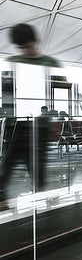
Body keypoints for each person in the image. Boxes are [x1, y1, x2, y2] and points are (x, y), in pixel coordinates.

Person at [1, 24, 60, 211]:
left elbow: (54, 97)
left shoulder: (50, 64)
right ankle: (2, 199)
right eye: (20, 48)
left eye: (27, 46)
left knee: (36, 164)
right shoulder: (12, 61)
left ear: (36, 42)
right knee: (7, 163)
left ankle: (42, 198)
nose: (24, 51)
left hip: (39, 126)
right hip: (15, 124)